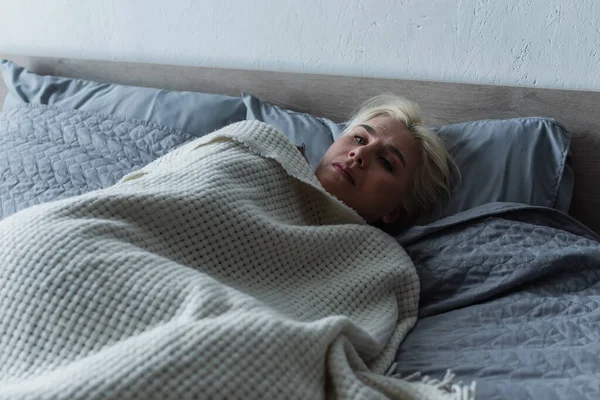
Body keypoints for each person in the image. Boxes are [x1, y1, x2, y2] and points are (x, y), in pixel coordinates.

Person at [314, 94, 457, 233]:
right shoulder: (291, 158)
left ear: (394, 212)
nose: (359, 153)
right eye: (359, 139)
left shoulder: (383, 255)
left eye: (385, 162)